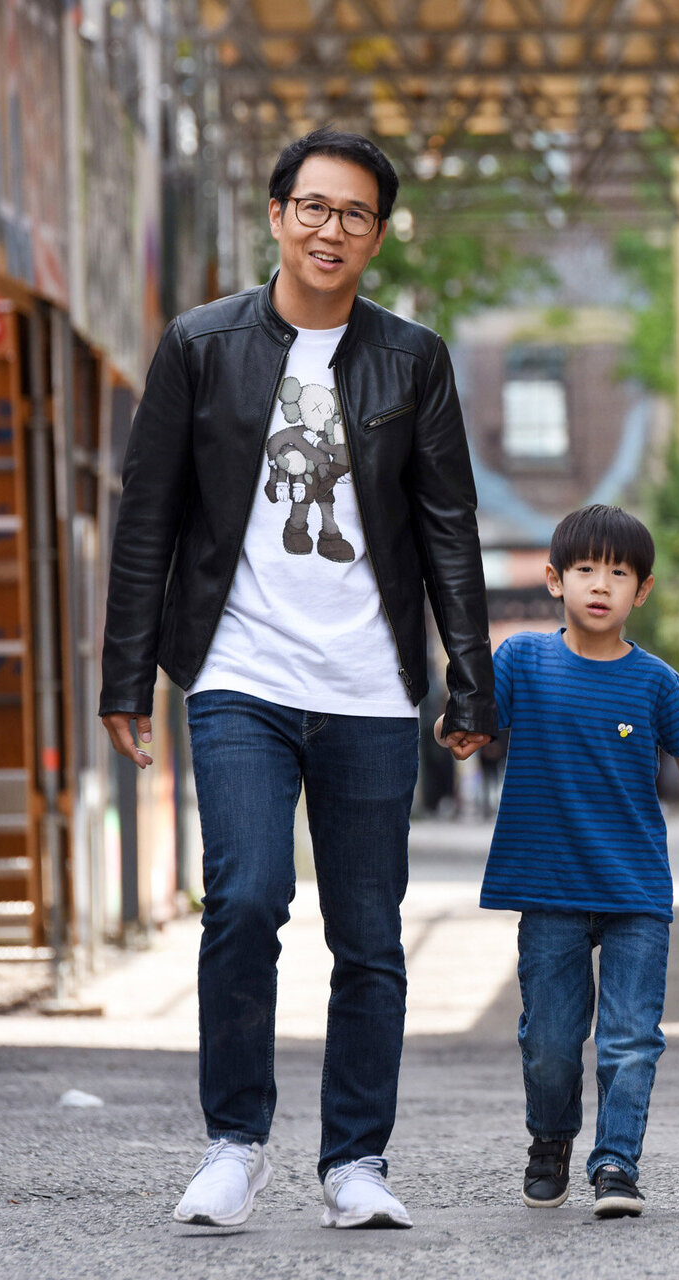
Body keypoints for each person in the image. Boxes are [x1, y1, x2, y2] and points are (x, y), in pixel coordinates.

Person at [99, 128, 495, 1231]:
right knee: (247, 896)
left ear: (377, 234)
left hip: (370, 686)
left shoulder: (411, 358)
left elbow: (449, 528)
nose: (330, 229)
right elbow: (148, 518)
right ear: (276, 216)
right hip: (238, 672)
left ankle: (355, 1160)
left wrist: (473, 682)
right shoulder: (200, 345)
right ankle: (234, 1143)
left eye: (354, 214)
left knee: (369, 928)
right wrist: (125, 673)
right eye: (312, 208)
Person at [437, 504, 679, 1219]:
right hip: (549, 888)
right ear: (553, 580)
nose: (601, 584)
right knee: (550, 1039)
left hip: (635, 890)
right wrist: (456, 729)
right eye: (585, 570)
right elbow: (465, 719)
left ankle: (616, 1165)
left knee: (631, 1039)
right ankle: (550, 1140)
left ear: (643, 590)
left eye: (619, 572)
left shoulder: (655, 681)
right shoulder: (522, 661)